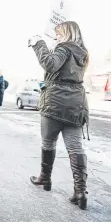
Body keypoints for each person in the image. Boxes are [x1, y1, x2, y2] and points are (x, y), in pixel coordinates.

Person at [29, 22, 89, 210]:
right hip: (76, 105)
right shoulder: (83, 52)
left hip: (55, 103)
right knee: (75, 147)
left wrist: (38, 43)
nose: (56, 37)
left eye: (58, 34)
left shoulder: (63, 48)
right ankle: (80, 191)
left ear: (66, 33)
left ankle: (45, 178)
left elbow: (50, 64)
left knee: (48, 143)